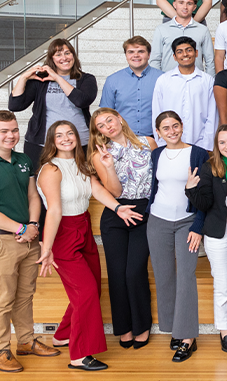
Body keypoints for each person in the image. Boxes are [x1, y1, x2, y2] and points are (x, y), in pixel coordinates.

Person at [0, 110, 61, 373]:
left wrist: (33, 226)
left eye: (14, 130)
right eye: (4, 131)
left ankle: (26, 341)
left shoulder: (23, 160)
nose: (11, 135)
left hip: (27, 238)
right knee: (3, 298)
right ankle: (0, 351)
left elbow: (33, 196)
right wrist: (20, 227)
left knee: (25, 295)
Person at [87, 108, 155, 350]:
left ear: (120, 119)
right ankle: (124, 328)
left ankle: (142, 325)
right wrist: (110, 166)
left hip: (144, 212)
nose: (108, 127)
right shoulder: (100, 154)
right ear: (99, 132)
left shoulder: (148, 142)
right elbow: (114, 192)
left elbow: (159, 177)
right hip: (116, 213)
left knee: (134, 271)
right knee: (116, 274)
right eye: (102, 126)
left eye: (109, 121)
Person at [148, 110, 209, 362]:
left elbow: (206, 195)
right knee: (163, 275)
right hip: (158, 220)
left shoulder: (197, 153)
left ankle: (187, 337)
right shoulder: (156, 154)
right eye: (166, 128)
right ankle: (173, 328)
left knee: (186, 275)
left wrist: (198, 226)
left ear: (182, 126)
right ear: (159, 132)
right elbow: (154, 187)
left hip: (186, 222)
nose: (171, 131)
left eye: (175, 126)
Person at [184, 125, 227, 354]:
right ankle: (225, 331)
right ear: (216, 146)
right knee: (223, 284)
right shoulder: (209, 168)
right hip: (220, 231)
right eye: (222, 142)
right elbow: (204, 205)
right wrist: (191, 189)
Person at [9, 38, 98, 166]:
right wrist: (23, 77)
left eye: (67, 53)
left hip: (80, 143)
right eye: (58, 54)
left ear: (73, 55)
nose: (64, 58)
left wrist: (57, 77)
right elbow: (15, 105)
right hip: (42, 144)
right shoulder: (41, 80)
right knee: (39, 182)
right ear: (52, 59)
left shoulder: (86, 79)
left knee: (80, 182)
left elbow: (81, 101)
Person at [150, 37, 217, 150]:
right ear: (174, 57)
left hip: (199, 144)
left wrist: (207, 146)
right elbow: (157, 112)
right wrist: (161, 143)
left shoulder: (207, 81)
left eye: (189, 50)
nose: (185, 54)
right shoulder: (163, 80)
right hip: (169, 144)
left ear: (196, 53)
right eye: (179, 52)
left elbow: (212, 116)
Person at [100, 37, 162, 138]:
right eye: (131, 52)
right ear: (126, 55)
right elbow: (106, 113)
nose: (136, 55)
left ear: (149, 55)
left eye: (141, 51)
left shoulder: (162, 78)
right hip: (122, 138)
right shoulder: (112, 80)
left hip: (156, 137)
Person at [149, 0, 213, 73]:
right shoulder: (161, 29)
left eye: (189, 3)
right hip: (168, 80)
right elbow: (154, 60)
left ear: (194, 7)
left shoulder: (203, 30)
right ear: (174, 5)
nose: (185, 7)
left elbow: (210, 60)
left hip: (196, 80)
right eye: (181, 3)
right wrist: (158, 80)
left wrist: (210, 82)